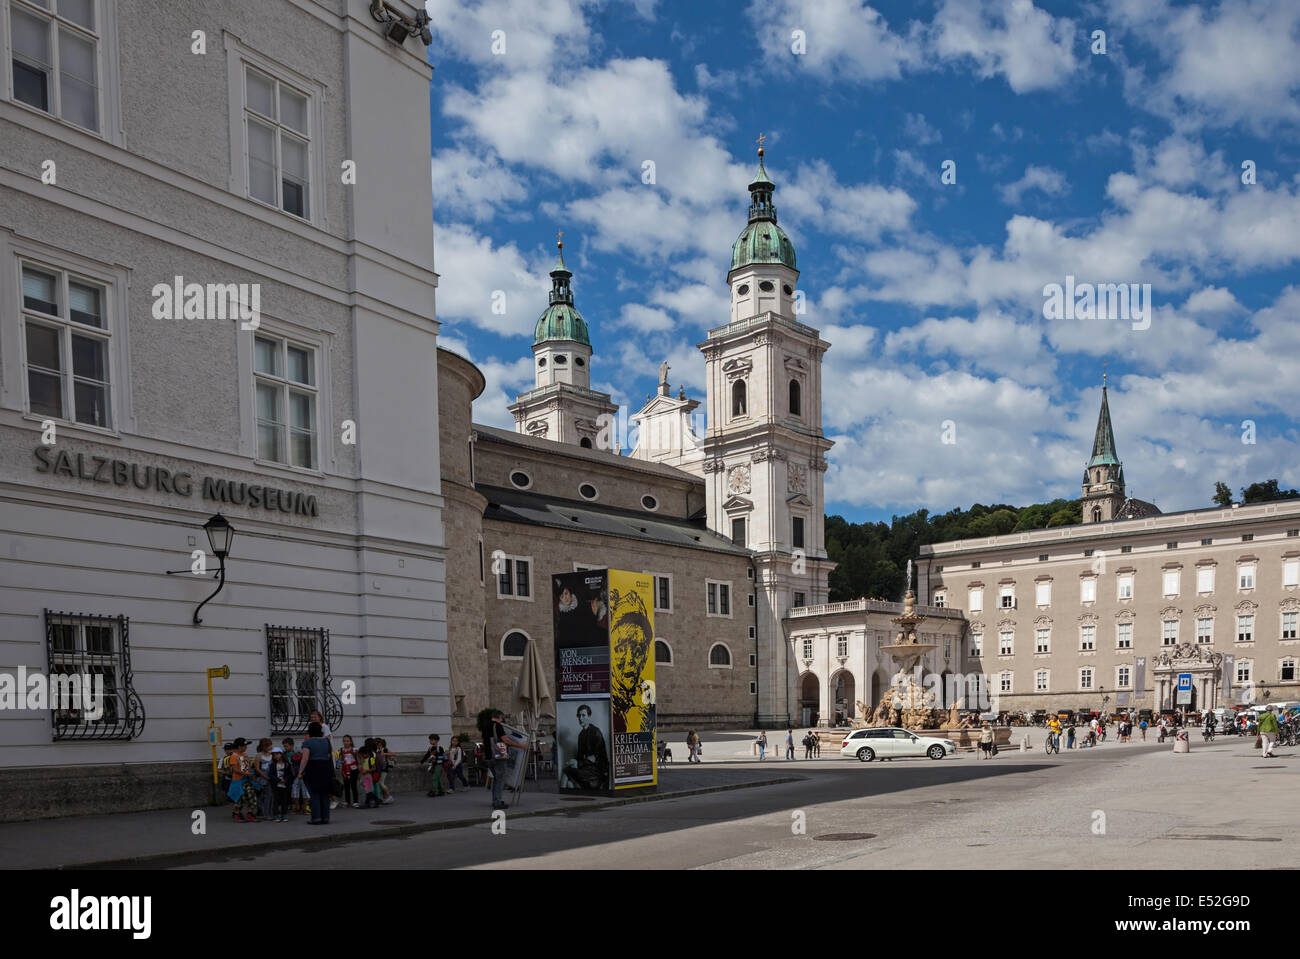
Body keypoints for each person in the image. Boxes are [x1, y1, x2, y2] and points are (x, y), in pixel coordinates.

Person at [484, 709, 528, 810]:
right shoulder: (498, 725)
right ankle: (497, 802)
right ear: (500, 717)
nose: (502, 719)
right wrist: (520, 745)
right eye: (502, 718)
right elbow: (506, 740)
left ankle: (495, 800)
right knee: (500, 780)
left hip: (488, 756)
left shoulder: (486, 725)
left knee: (496, 779)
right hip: (498, 756)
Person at [561, 704, 609, 790]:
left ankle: (560, 797)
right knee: (569, 784)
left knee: (566, 772)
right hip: (587, 767)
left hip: (597, 770)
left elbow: (595, 757)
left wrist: (578, 763)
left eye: (583, 715)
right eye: (579, 715)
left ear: (589, 717)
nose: (580, 718)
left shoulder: (596, 732)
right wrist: (574, 762)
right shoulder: (581, 735)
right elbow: (580, 756)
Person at [297, 721, 334, 824]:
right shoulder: (326, 742)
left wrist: (300, 772)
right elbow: (329, 756)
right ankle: (325, 817)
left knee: (315, 794)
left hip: (313, 768)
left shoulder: (307, 743)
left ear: (310, 731)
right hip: (326, 768)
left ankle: (316, 818)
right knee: (324, 794)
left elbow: (305, 758)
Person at [227, 738, 259, 822]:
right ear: (239, 746)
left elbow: (245, 768)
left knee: (252, 796)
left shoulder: (245, 755)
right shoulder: (234, 756)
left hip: (246, 780)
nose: (246, 747)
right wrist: (247, 774)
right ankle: (237, 815)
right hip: (238, 781)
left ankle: (250, 813)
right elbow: (235, 770)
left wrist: (250, 774)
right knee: (239, 798)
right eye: (244, 746)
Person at [268, 747, 292, 822]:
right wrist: (278, 780)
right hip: (276, 785)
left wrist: (285, 780)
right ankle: (276, 815)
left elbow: (289, 774)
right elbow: (271, 775)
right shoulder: (272, 765)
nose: (276, 756)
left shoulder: (287, 764)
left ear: (281, 754)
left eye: (277, 754)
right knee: (276, 800)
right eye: (274, 755)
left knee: (284, 800)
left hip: (285, 785)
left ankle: (284, 814)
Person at [339, 734, 360, 808]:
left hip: (353, 769)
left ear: (350, 742)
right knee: (346, 786)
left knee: (353, 785)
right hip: (345, 769)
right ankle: (347, 801)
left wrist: (359, 768)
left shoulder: (354, 750)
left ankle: (356, 801)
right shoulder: (341, 750)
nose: (345, 742)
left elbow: (358, 760)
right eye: (344, 741)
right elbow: (341, 760)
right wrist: (341, 769)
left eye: (347, 741)